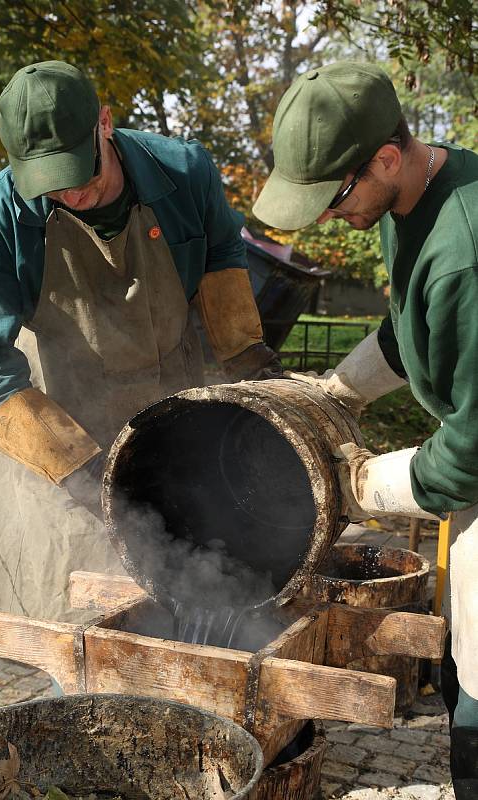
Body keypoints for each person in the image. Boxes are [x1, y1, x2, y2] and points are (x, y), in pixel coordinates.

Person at [0, 60, 281, 624]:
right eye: (49, 183)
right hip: (63, 428)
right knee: (84, 609)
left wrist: (246, 356)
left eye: (79, 172)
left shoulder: (184, 171)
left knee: (196, 557)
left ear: (105, 123)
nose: (70, 193)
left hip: (173, 404)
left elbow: (222, 258)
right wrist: (85, 476)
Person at [253, 61, 478, 799]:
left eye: (332, 196)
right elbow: (406, 327)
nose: (324, 216)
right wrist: (337, 392)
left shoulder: (467, 254)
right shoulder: (410, 199)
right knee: (459, 669)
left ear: (385, 156)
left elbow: (471, 449)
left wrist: (360, 485)